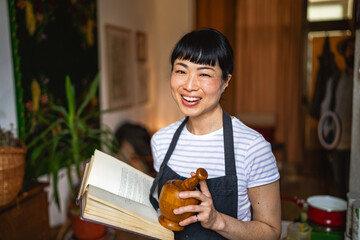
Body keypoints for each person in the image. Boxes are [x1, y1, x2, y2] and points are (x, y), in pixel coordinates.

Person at [149, 28, 281, 240]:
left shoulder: (252, 148)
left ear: (226, 81)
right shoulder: (161, 140)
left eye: (204, 74)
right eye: (181, 71)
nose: (189, 86)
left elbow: (271, 232)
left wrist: (217, 221)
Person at [320, 36, 355, 199]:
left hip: (356, 144)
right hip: (337, 141)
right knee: (339, 182)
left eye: (355, 48)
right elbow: (326, 106)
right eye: (350, 49)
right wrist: (326, 131)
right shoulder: (335, 80)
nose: (352, 53)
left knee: (354, 185)